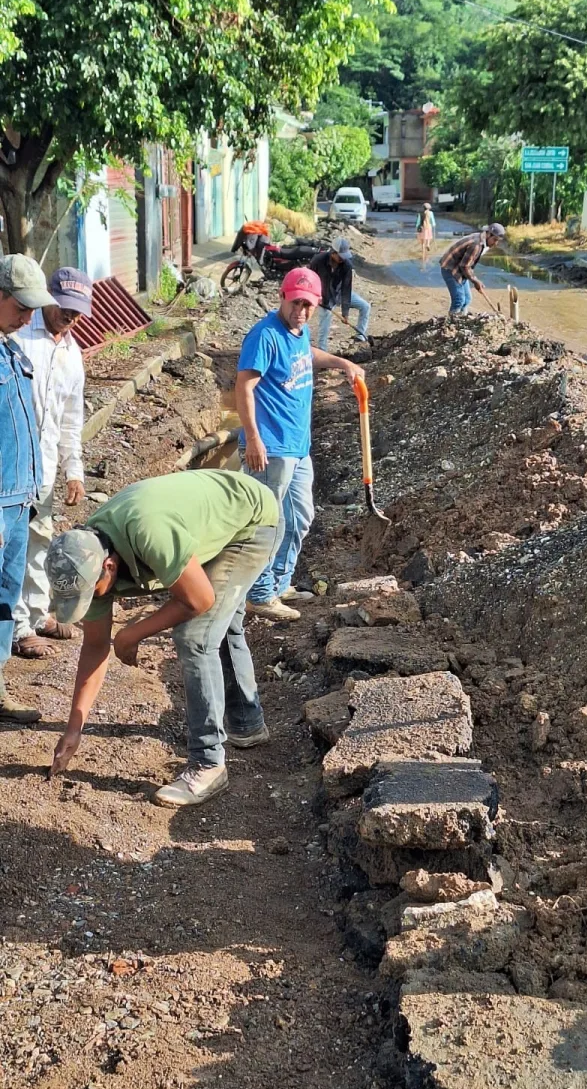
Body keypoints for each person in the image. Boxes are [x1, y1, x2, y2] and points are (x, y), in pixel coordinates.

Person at [44, 470, 280, 807]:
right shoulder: (84, 557)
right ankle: (246, 722)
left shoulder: (147, 531)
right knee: (220, 624)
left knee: (195, 635)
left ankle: (208, 765)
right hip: (210, 518)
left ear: (109, 567)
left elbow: (199, 600)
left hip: (251, 521)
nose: (89, 601)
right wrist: (74, 727)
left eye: (89, 593)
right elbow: (95, 645)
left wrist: (131, 634)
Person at [235, 266, 364, 623]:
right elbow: (244, 387)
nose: (301, 311)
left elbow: (308, 355)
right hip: (271, 448)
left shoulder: (299, 331)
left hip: (298, 447)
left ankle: (278, 583)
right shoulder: (265, 336)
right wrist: (254, 439)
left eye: (308, 305)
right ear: (282, 296)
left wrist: (342, 362)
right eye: (296, 303)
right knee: (266, 523)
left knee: (299, 519)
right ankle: (258, 595)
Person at [12, 267, 92, 658]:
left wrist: (73, 470)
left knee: (40, 539)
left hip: (41, 468)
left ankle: (37, 612)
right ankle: (19, 626)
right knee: (13, 545)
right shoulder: (20, 338)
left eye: (77, 311)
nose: (70, 316)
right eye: (65, 307)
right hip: (10, 464)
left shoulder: (73, 356)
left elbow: (70, 419)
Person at [0, 255, 53, 723]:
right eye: (21, 307)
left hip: (19, 500)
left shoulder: (10, 349)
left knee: (4, 599)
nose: (29, 318)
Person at [310, 237, 371, 351]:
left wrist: (345, 312)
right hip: (324, 295)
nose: (343, 259)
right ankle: (322, 351)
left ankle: (360, 338)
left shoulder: (346, 265)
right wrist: (315, 295)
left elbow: (346, 288)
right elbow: (310, 278)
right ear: (333, 253)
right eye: (341, 256)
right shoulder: (318, 260)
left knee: (365, 306)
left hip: (339, 293)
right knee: (325, 320)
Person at [439, 223, 505, 315]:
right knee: (459, 300)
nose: (495, 243)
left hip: (460, 269)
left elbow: (467, 265)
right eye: (494, 240)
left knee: (467, 299)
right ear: (489, 234)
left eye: (497, 241)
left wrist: (474, 280)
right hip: (451, 268)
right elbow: (465, 266)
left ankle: (462, 319)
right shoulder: (476, 245)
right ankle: (451, 324)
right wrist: (475, 281)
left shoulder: (481, 240)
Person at [416, 203, 436, 270]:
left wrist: (417, 226)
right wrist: (434, 224)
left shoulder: (420, 213)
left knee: (422, 238)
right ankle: (428, 244)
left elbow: (418, 221)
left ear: (423, 208)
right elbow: (432, 221)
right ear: (429, 208)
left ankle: (422, 247)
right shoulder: (431, 213)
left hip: (422, 227)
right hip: (428, 227)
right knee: (428, 236)